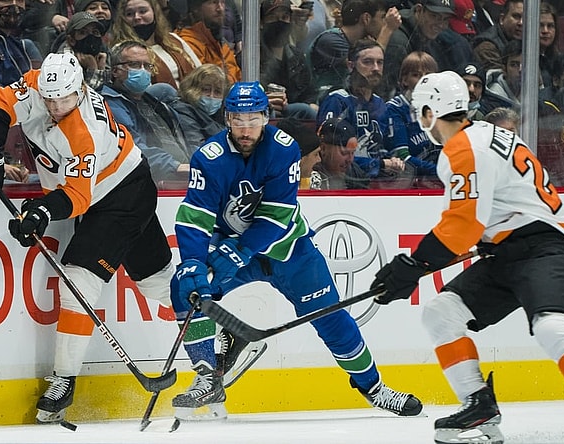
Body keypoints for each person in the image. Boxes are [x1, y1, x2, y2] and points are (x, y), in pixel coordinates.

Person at [370, 71, 564, 444]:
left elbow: (463, 223)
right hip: (508, 250)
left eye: (421, 111)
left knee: (551, 325)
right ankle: (479, 409)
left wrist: (414, 265)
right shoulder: (488, 135)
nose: (420, 119)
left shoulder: (463, 148)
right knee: (441, 312)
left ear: (431, 113)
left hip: (545, 246)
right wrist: (417, 266)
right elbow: (484, 219)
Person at [170, 81, 421, 420]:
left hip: (291, 253)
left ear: (265, 117)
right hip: (235, 251)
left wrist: (238, 251)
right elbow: (194, 216)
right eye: (238, 120)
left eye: (253, 120)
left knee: (332, 320)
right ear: (227, 118)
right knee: (186, 288)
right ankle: (207, 377)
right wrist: (192, 263)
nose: (246, 129)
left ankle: (374, 388)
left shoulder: (282, 149)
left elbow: (277, 216)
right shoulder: (209, 157)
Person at [0, 52, 175, 423]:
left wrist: (40, 212)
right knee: (157, 284)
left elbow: (78, 197)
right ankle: (223, 330)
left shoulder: (85, 132)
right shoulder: (38, 85)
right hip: (113, 186)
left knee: (78, 279)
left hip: (120, 194)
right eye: (49, 99)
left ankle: (63, 380)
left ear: (79, 90)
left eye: (63, 99)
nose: (54, 106)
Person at [102, 40, 193, 183]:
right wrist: (176, 166)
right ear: (115, 71)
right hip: (152, 180)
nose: (143, 71)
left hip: (183, 173)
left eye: (147, 66)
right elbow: (132, 149)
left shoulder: (155, 102)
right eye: (134, 65)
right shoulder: (110, 104)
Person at [317, 39, 406, 181]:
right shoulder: (337, 101)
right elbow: (331, 157)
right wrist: (380, 164)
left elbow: (389, 149)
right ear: (351, 65)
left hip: (379, 182)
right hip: (345, 185)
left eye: (380, 62)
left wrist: (395, 162)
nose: (376, 68)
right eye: (368, 62)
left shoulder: (381, 104)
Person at [308, 0, 400, 101]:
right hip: (326, 103)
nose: (384, 23)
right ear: (366, 19)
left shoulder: (362, 42)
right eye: (382, 17)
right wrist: (387, 30)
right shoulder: (331, 41)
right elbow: (364, 72)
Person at [382, 0, 474, 100]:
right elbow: (389, 92)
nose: (441, 25)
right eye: (434, 16)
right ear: (419, 10)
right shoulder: (399, 43)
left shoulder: (428, 34)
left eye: (445, 19)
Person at [380, 51, 441, 185]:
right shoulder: (394, 109)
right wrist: (441, 172)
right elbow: (402, 157)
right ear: (404, 80)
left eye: (428, 75)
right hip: (405, 183)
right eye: (416, 75)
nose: (424, 80)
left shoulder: (440, 108)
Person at [113, 0, 200, 89]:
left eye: (143, 11)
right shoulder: (124, 49)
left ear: (154, 12)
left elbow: (200, 72)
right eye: (129, 14)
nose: (137, 17)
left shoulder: (174, 39)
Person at [260, 0, 319, 120]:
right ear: (262, 22)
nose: (279, 22)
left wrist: (311, 106)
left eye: (284, 17)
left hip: (297, 122)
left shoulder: (297, 58)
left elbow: (310, 94)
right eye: (273, 17)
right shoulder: (251, 57)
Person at [159, 63, 227, 151]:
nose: (211, 96)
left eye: (217, 92)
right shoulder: (184, 112)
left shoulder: (220, 114)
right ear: (192, 89)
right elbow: (197, 150)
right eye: (206, 89)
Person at [177, 0, 241, 84]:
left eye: (223, 2)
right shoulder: (187, 43)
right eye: (214, 2)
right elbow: (206, 86)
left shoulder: (221, 44)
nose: (220, 8)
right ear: (196, 8)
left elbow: (237, 77)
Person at [54, 12, 109, 91]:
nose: (91, 37)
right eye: (83, 32)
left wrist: (101, 68)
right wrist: (93, 69)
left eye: (95, 32)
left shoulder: (101, 54)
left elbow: (107, 92)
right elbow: (83, 98)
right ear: (71, 40)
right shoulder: (62, 60)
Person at [311, 117, 370, 190]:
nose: (350, 160)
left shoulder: (355, 173)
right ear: (323, 148)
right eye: (344, 153)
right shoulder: (309, 171)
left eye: (353, 153)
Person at [471, 0, 523, 71]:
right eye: (516, 16)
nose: (521, 23)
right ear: (502, 19)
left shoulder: (530, 44)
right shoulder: (487, 47)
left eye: (526, 18)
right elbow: (500, 78)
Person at [275, 117, 322, 190]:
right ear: (299, 157)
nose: (319, 159)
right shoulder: (272, 187)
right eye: (315, 154)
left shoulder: (314, 179)